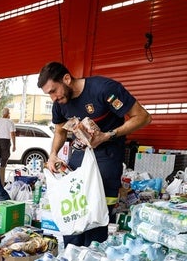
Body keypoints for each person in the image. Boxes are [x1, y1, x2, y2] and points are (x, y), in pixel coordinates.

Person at [38, 61, 152, 246]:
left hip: (106, 157)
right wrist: (53, 154)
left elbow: (143, 117)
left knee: (96, 214)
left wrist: (108, 135)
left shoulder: (104, 89)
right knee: (74, 214)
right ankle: (70, 260)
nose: (53, 98)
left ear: (67, 79)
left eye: (53, 91)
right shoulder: (60, 103)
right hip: (78, 159)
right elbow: (60, 130)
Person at [0, 107, 16, 182]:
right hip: (5, 141)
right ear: (8, 114)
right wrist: (14, 145)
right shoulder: (10, 122)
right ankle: (1, 178)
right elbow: (12, 134)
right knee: (4, 159)